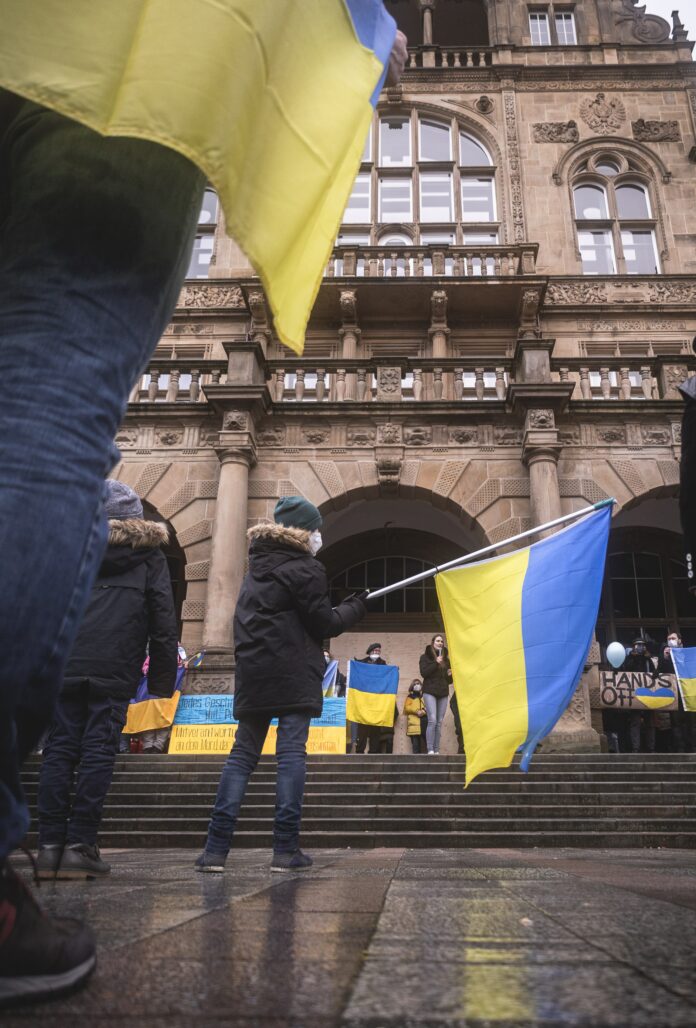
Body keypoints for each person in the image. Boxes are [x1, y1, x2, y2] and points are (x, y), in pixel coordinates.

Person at [0, 13, 407, 1002]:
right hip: (133, 60)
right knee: (43, 408)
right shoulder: (299, 569)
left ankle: (193, 845)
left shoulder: (264, 566)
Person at [195, 497, 367, 874]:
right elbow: (324, 624)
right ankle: (285, 850)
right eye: (316, 529)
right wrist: (355, 606)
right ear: (304, 531)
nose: (319, 536)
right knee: (291, 756)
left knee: (241, 757)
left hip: (256, 674)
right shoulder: (306, 568)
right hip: (292, 672)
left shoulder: (255, 567)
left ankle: (214, 851)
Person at [35, 481, 178, 880]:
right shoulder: (149, 557)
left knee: (59, 747)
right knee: (99, 749)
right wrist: (162, 682)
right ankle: (81, 845)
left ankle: (48, 849)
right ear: (133, 519)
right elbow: (163, 622)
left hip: (63, 664)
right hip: (115, 667)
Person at [419, 634, 452, 755]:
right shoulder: (425, 657)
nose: (440, 643)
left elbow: (449, 681)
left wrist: (450, 675)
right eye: (438, 641)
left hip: (443, 692)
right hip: (429, 691)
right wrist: (436, 663)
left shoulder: (446, 660)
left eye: (442, 641)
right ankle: (430, 749)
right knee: (432, 719)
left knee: (439, 721)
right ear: (433, 642)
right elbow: (424, 673)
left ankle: (437, 749)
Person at [624, 637, 656, 754]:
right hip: (634, 696)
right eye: (638, 645)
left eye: (642, 645)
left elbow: (654, 674)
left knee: (650, 723)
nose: (640, 647)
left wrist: (655, 674)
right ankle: (635, 748)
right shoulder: (629, 658)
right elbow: (626, 671)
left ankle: (651, 748)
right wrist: (633, 658)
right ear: (633, 646)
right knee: (635, 722)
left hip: (649, 695)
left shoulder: (648, 660)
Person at [355, 644, 387, 754]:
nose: (377, 652)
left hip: (376, 701)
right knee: (362, 728)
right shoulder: (361, 662)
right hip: (364, 700)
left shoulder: (383, 663)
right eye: (375, 650)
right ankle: (360, 750)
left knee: (375, 728)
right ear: (369, 651)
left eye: (379, 651)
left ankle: (373, 751)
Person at [404, 680, 428, 754]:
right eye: (415, 684)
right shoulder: (410, 697)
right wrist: (416, 711)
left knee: (428, 744)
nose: (417, 685)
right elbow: (406, 708)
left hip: (424, 723)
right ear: (412, 686)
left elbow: (429, 707)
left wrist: (423, 712)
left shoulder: (425, 696)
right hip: (414, 724)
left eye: (418, 684)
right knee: (416, 746)